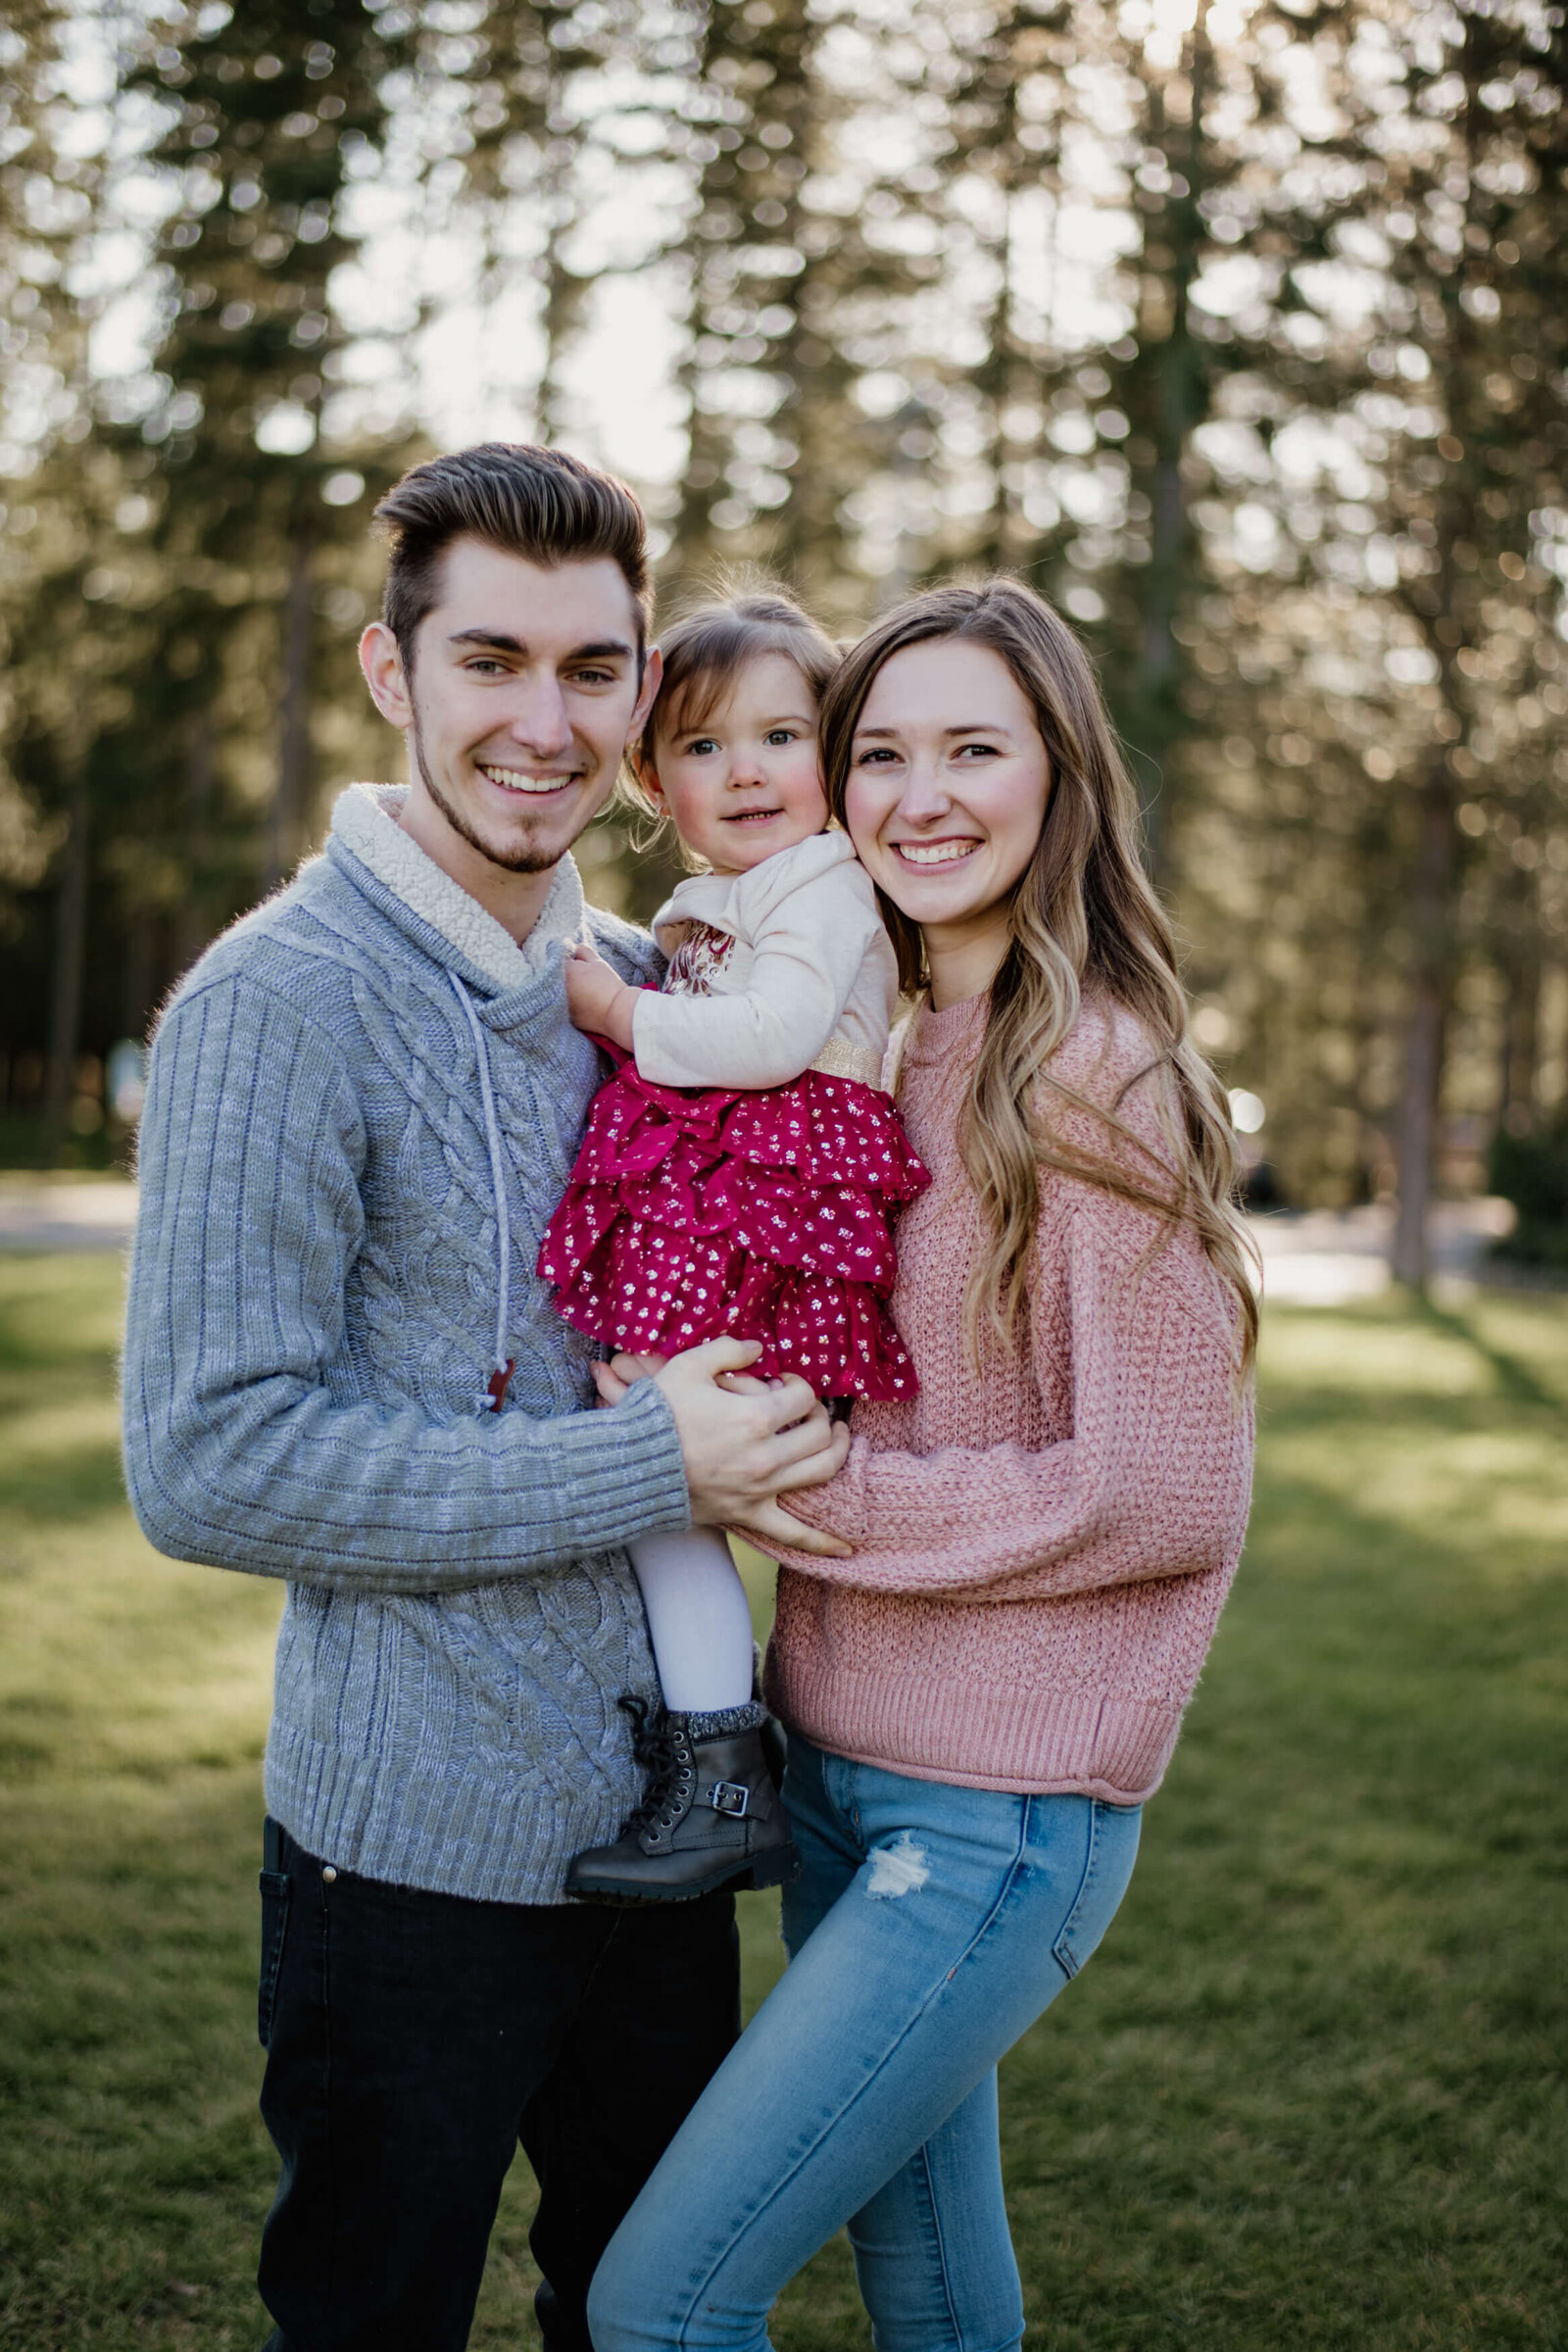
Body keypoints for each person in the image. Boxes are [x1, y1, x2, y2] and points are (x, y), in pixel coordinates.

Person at [120, 442, 850, 2352]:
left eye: (591, 672)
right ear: (392, 673)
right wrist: (644, 1462)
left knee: (661, 2323)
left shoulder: (649, 982)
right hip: (408, 1864)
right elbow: (208, 1463)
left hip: (669, 1836)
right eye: (489, 662)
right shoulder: (274, 1004)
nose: (542, 722)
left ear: (637, 699)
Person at [585, 578, 1259, 2352]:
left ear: (1063, 776)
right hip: (837, 1766)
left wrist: (818, 1499)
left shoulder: (1093, 1076)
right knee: (937, 2295)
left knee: (661, 2305)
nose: (920, 794)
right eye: (877, 751)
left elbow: (1168, 1489)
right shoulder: (874, 1042)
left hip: (996, 1812)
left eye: (977, 746)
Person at [536, 590, 928, 1904]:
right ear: (653, 777)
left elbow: (764, 1040)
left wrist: (613, 1004)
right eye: (705, 746)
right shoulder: (729, 892)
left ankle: (722, 1773)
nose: (747, 769)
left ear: (839, 761)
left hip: (779, 1216)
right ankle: (720, 1756)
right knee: (666, 1492)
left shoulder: (824, 884)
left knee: (669, 1478)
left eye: (783, 735)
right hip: (739, 1207)